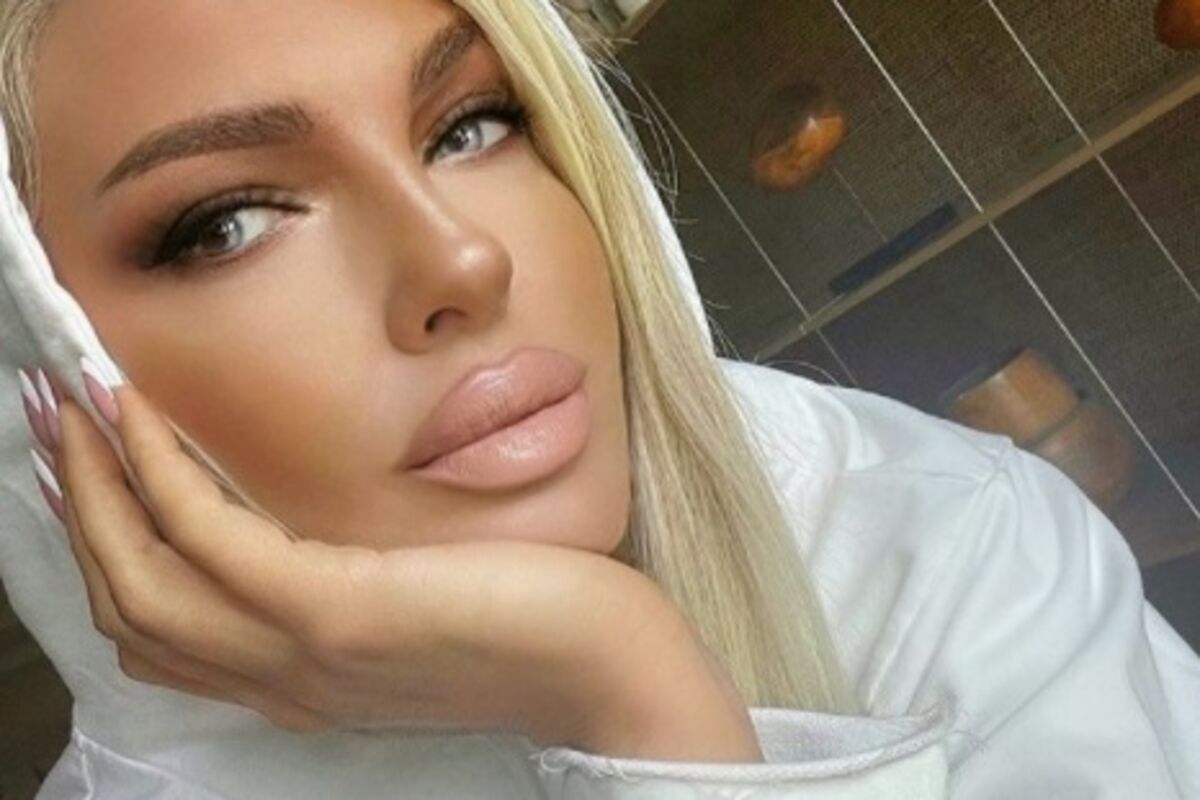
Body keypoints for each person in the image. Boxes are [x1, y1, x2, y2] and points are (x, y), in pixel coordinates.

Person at [0, 1, 1195, 798]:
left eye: (472, 124)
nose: (464, 259)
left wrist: (636, 697)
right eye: (226, 223)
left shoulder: (949, 537)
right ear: (39, 366)